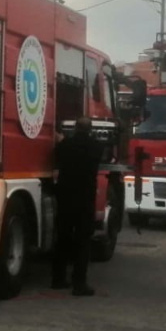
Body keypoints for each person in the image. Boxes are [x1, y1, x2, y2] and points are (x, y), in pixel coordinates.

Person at [52, 116, 100, 297]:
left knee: (62, 238)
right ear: (90, 129)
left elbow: (57, 155)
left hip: (65, 197)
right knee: (83, 242)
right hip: (84, 199)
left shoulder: (65, 146)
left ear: (75, 128)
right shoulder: (95, 146)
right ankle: (79, 284)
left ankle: (57, 279)